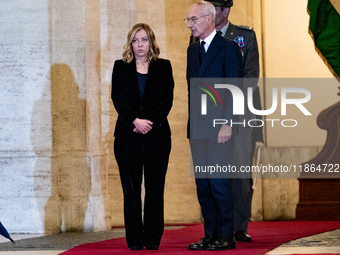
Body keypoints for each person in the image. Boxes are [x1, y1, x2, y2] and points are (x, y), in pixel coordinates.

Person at [201, 0, 262, 243]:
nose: (207, 14)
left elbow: (250, 79)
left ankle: (239, 226)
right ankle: (217, 226)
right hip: (209, 115)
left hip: (238, 114)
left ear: (225, 11)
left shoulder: (244, 37)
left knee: (238, 170)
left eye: (213, 9)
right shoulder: (199, 39)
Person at [111, 23, 174, 251]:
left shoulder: (164, 67)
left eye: (144, 40)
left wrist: (149, 123)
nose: (140, 45)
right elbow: (118, 98)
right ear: (130, 42)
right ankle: (135, 241)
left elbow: (166, 100)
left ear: (151, 42)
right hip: (128, 137)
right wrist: (135, 121)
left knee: (156, 189)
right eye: (136, 40)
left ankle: (153, 240)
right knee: (131, 190)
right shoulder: (121, 67)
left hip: (157, 137)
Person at [186, 1, 243, 251]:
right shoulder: (192, 50)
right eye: (188, 20)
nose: (190, 24)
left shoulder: (228, 48)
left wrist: (227, 123)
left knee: (219, 182)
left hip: (221, 128)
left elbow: (235, 90)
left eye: (194, 19)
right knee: (204, 184)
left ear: (209, 18)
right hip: (198, 129)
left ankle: (226, 235)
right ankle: (210, 234)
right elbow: (192, 90)